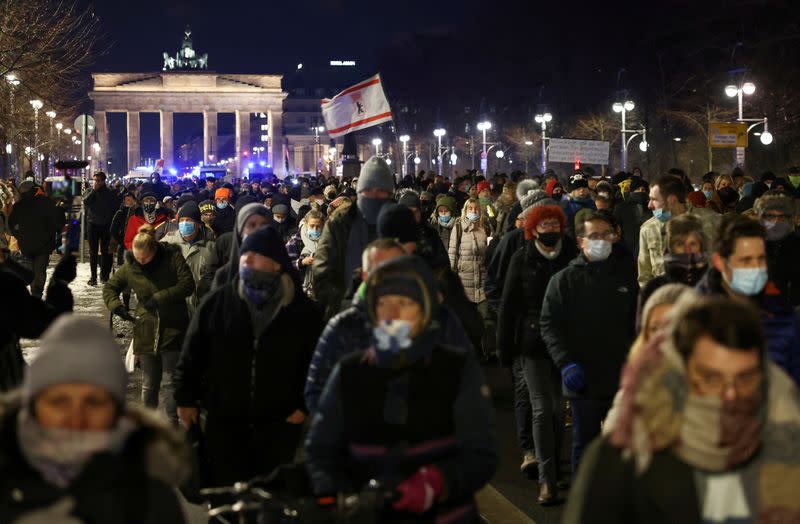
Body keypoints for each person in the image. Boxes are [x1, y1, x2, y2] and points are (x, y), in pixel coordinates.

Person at [565, 296, 800, 524]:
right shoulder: (621, 459)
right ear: (682, 376)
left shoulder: (783, 442)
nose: (731, 395)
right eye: (711, 379)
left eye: (745, 378)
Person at [305, 256, 497, 522]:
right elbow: (321, 448)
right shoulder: (350, 372)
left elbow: (482, 452)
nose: (392, 313)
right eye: (383, 303)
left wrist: (439, 481)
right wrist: (334, 497)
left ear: (424, 311)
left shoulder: (456, 369)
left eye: (404, 303)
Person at [0, 315, 189, 523]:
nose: (76, 419)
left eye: (94, 403)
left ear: (116, 410)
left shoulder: (151, 497)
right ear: (33, 404)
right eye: (58, 402)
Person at [174, 225, 323, 486]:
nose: (246, 262)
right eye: (244, 255)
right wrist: (185, 399)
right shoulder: (218, 303)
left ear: (276, 264)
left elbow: (315, 364)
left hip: (278, 426)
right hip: (225, 424)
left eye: (255, 256)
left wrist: (302, 406)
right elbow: (192, 354)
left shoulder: (301, 311)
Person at [304, 240, 475, 413]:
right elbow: (316, 391)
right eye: (380, 270)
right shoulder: (343, 327)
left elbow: (467, 382)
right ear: (365, 275)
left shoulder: (438, 321)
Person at [540, 211, 638, 473]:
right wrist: (565, 364)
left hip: (619, 378)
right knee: (585, 447)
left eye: (606, 234)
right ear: (581, 241)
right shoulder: (564, 281)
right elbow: (549, 325)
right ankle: (584, 505)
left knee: (622, 448)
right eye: (594, 236)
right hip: (583, 381)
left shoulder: (623, 277)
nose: (602, 240)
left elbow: (635, 324)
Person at [496, 205, 577, 504]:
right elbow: (509, 305)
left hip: (564, 342)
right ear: (532, 228)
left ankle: (554, 467)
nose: (549, 228)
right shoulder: (522, 258)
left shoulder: (570, 255)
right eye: (543, 223)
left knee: (558, 411)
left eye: (554, 223)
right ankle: (547, 480)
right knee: (542, 408)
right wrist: (504, 347)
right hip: (532, 344)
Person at [103, 225, 194, 424]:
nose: (141, 262)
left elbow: (187, 284)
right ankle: (147, 425)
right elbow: (110, 287)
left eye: (144, 258)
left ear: (153, 251)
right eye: (137, 258)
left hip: (173, 327)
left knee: (170, 383)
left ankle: (172, 425)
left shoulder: (172, 258)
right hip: (146, 328)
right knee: (149, 384)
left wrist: (161, 297)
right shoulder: (131, 266)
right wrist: (117, 306)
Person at [696, 214, 800, 385]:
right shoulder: (695, 317)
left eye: (760, 259)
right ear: (720, 262)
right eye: (746, 261)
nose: (756, 269)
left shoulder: (782, 314)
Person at [313, 156, 394, 319]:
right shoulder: (339, 225)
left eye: (381, 191)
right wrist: (342, 303)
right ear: (360, 192)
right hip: (345, 315)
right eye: (369, 191)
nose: (374, 196)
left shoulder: (400, 222)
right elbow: (322, 272)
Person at [0, 250, 75, 392]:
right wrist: (59, 285)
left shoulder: (8, 282)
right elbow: (42, 325)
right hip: (7, 380)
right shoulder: (6, 284)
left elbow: (28, 277)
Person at [638, 175, 719, 287]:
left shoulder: (711, 221)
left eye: (654, 199)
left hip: (704, 297)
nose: (649, 205)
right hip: (666, 298)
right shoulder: (649, 229)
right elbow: (645, 275)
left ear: (672, 200)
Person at [449, 198, 492, 359]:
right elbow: (452, 251)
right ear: (465, 210)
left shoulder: (484, 227)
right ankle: (470, 351)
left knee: (485, 318)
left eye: (475, 209)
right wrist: (451, 275)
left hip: (481, 277)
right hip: (464, 278)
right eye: (470, 209)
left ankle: (486, 351)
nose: (473, 211)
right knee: (467, 320)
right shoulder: (459, 226)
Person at [638, 214, 709, 312]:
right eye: (680, 244)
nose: (687, 250)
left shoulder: (715, 284)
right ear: (670, 248)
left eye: (693, 244)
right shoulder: (654, 289)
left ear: (701, 247)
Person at [8, 180, 64, 298]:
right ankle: (36, 293)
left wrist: (19, 235)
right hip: (43, 244)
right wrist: (51, 234)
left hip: (27, 244)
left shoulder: (18, 206)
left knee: (31, 270)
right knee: (40, 270)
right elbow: (56, 221)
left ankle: (34, 292)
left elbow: (12, 224)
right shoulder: (46, 202)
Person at [161, 201, 216, 312]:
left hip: (197, 308)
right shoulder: (167, 243)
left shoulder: (210, 248)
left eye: (189, 220)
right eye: (182, 220)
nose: (184, 223)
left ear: (198, 224)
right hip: (171, 306)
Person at [754, 193, 800, 305]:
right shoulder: (751, 245)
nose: (776, 222)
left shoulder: (797, 244)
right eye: (770, 216)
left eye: (781, 217)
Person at [83, 171, 118, 285]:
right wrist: (93, 190)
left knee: (105, 252)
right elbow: (86, 202)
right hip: (92, 225)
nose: (96, 183)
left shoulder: (110, 192)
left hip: (106, 226)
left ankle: (104, 275)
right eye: (94, 180)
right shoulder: (89, 191)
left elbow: (114, 209)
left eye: (98, 180)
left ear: (103, 181)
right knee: (93, 252)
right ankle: (93, 277)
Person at [286, 209, 325, 299]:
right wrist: (302, 262)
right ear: (306, 224)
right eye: (312, 226)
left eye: (318, 226)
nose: (315, 229)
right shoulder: (295, 241)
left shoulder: (327, 241)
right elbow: (286, 266)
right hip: (300, 289)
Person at [123, 184, 171, 250]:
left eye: (152, 200)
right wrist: (141, 249)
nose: (149, 203)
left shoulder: (164, 218)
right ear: (141, 202)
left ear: (156, 203)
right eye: (146, 200)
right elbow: (128, 241)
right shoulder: (134, 219)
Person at [561, 174, 596, 238]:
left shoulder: (591, 202)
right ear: (573, 191)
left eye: (584, 188)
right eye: (578, 188)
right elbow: (567, 226)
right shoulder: (567, 204)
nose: (582, 190)